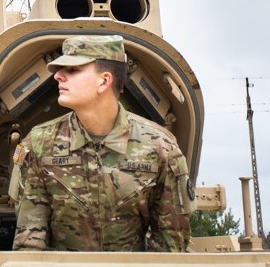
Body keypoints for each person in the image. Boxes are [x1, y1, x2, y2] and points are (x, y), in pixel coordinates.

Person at [11, 35, 195, 251]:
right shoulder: (39, 143)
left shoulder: (160, 147)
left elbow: (170, 246)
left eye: (73, 70)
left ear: (104, 81)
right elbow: (30, 241)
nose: (58, 76)